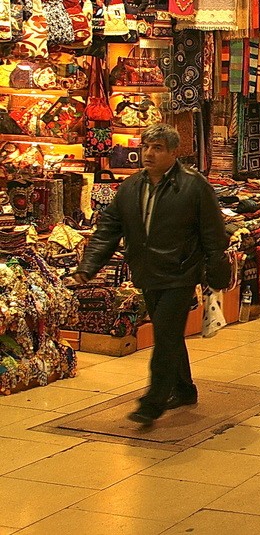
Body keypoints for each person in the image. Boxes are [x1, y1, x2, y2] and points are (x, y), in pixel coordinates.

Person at [73, 124, 230, 426]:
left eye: (157, 147)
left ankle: (153, 401)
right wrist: (87, 267)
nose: (148, 153)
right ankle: (184, 389)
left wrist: (217, 268)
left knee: (166, 335)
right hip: (147, 272)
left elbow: (213, 232)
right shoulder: (131, 187)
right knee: (167, 333)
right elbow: (108, 230)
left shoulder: (193, 186)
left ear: (174, 152)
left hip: (180, 272)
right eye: (146, 146)